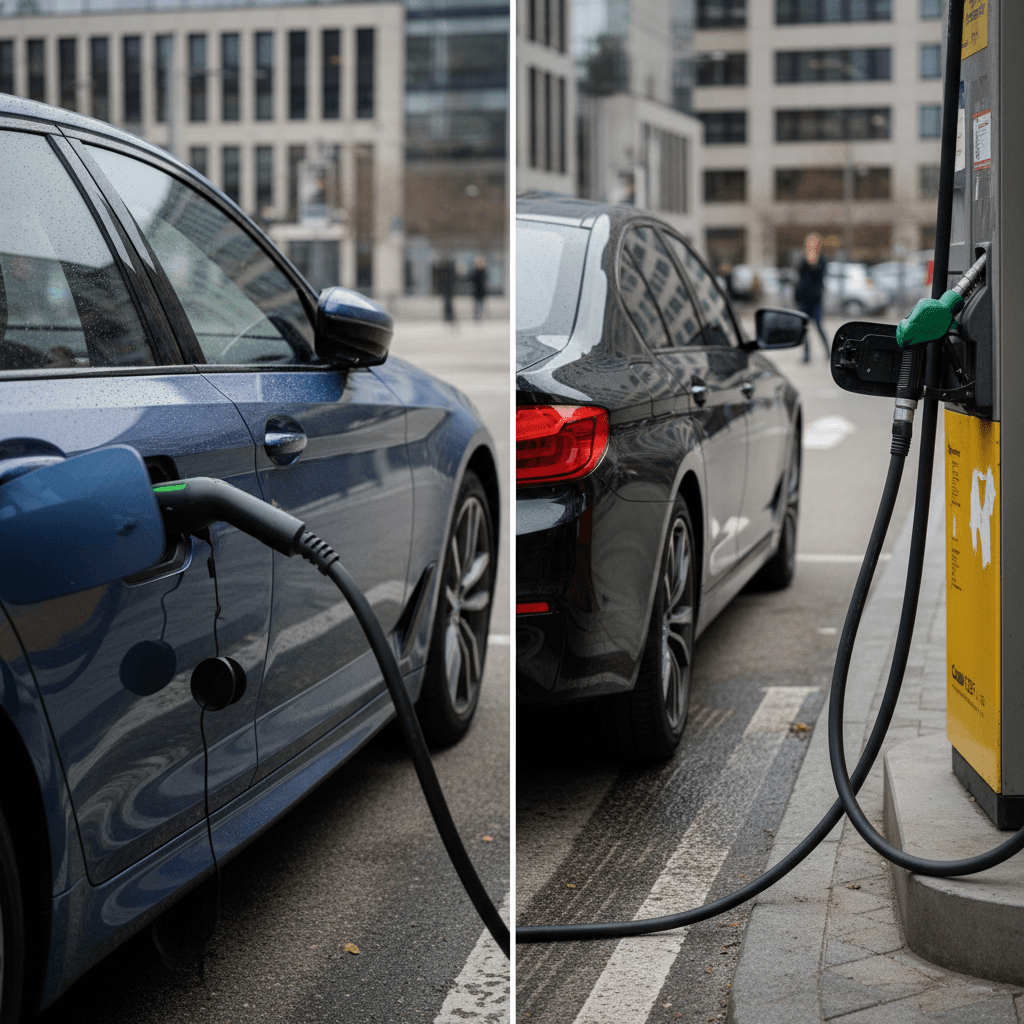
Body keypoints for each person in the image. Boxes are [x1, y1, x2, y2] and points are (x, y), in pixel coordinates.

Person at [794, 233, 830, 362]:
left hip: (816, 300)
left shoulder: (822, 259)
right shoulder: (801, 258)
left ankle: (828, 352)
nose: (812, 245)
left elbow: (819, 274)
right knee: (804, 329)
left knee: (819, 326)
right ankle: (806, 355)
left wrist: (812, 261)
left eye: (814, 242)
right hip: (803, 299)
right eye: (810, 242)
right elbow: (799, 278)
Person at [471, 256, 488, 320]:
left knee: (481, 305)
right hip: (476, 290)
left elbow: (485, 281)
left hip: (482, 291)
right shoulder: (475, 271)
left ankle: (479, 316)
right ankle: (476, 316)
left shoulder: (484, 271)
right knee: (476, 305)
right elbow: (472, 279)